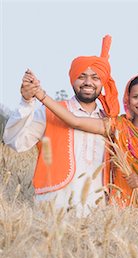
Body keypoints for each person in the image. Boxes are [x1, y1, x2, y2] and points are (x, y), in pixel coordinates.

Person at [25, 72, 138, 225]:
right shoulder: (117, 126)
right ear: (128, 100)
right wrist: (41, 95)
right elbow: (75, 121)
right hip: (124, 206)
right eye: (136, 97)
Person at [3, 35, 119, 216]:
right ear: (72, 79)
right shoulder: (49, 112)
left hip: (98, 214)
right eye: (82, 76)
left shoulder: (112, 121)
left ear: (102, 82)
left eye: (95, 77)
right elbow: (14, 141)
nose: (88, 82)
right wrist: (26, 102)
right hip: (54, 210)